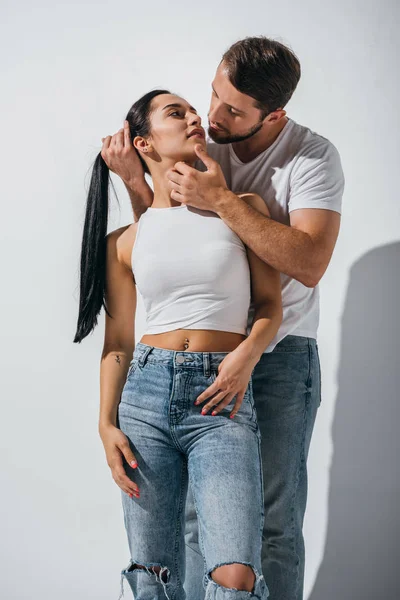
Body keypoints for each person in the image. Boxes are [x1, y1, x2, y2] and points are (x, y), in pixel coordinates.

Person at [100, 37, 345, 600]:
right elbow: (167, 248)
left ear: (273, 115)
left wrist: (225, 201)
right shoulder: (202, 137)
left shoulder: (311, 156)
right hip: (176, 374)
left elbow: (309, 265)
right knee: (191, 526)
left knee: (273, 524)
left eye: (232, 111)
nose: (212, 117)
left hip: (278, 354)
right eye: (212, 95)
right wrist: (137, 181)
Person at [74, 89, 283, 599]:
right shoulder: (126, 240)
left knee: (234, 574)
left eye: (194, 110)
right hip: (144, 398)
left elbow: (270, 309)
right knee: (153, 573)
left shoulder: (243, 209)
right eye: (177, 112)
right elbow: (118, 341)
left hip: (222, 397)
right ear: (144, 142)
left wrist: (245, 358)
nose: (195, 117)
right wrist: (105, 425)